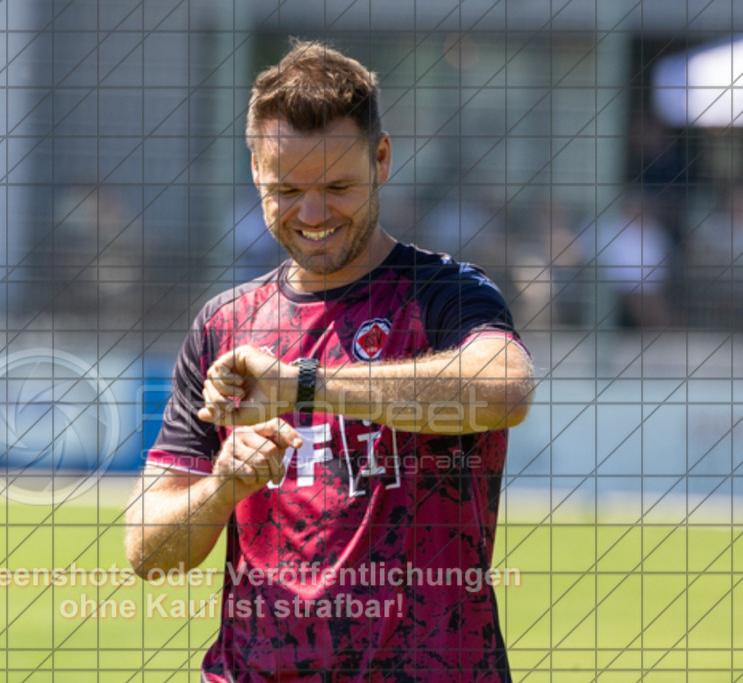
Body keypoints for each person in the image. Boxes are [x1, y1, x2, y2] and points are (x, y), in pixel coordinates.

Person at [125, 39, 534, 682]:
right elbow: (148, 551)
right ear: (254, 167)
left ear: (381, 158)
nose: (312, 214)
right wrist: (223, 486)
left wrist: (304, 386)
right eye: (286, 189)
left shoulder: (446, 295)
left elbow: (505, 390)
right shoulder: (224, 326)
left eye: (337, 186)